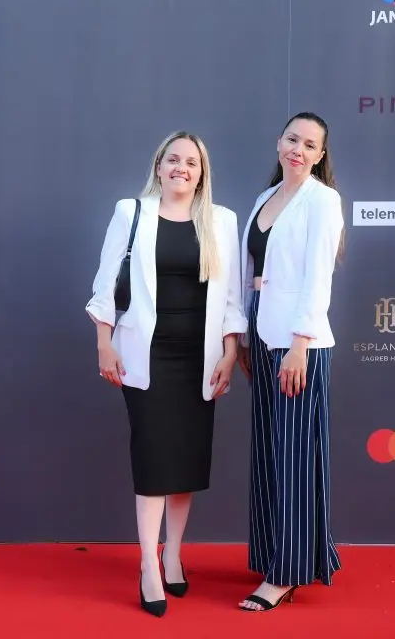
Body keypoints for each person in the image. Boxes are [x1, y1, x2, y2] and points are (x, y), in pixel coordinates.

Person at [85, 131, 247, 618]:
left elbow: (233, 299)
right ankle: (148, 565)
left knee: (185, 464)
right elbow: (105, 285)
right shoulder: (131, 212)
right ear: (158, 166)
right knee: (155, 461)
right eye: (173, 159)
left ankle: (173, 553)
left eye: (192, 162)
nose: (182, 168)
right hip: (146, 357)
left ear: (202, 173)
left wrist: (229, 353)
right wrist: (104, 344)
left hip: (200, 360)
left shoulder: (221, 220)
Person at [236, 111, 346, 613]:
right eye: (292, 139)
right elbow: (250, 272)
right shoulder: (264, 198)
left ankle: (287, 572)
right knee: (267, 453)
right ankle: (270, 555)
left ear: (320, 156)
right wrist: (242, 338)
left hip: (298, 342)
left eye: (309, 145)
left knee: (296, 458)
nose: (297, 150)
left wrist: (300, 344)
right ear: (278, 142)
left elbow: (318, 278)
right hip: (261, 332)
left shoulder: (323, 201)